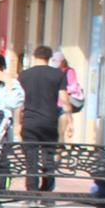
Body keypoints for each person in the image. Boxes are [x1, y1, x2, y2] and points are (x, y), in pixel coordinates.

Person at [15, 44, 69, 195]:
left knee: (31, 159)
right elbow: (64, 99)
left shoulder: (24, 75)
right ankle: (47, 192)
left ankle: (31, 193)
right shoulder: (58, 74)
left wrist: (18, 123)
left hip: (30, 122)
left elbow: (20, 102)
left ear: (34, 56)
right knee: (48, 157)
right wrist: (70, 120)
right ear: (49, 57)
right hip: (49, 122)